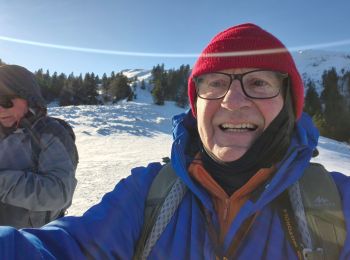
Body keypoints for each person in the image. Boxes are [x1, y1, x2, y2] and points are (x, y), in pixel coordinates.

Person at [0, 23, 348, 259]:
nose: (232, 101)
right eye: (214, 84)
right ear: (196, 105)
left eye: (258, 83)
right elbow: (64, 248)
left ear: (288, 103)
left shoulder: (337, 202)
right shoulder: (148, 192)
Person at [0, 64, 78, 229]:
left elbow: (59, 192)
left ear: (29, 98)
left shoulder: (50, 134)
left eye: (4, 100)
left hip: (31, 241)